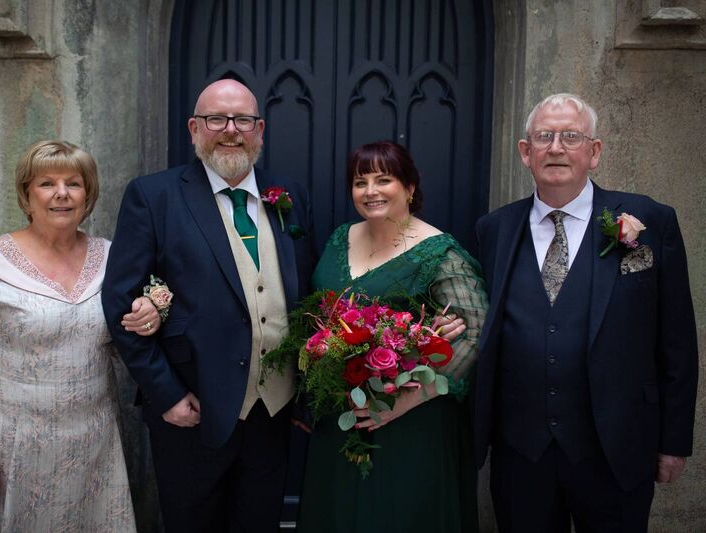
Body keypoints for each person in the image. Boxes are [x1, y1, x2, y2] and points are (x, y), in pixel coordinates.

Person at [474, 93, 699, 532]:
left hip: (617, 450)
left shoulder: (651, 220)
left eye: (571, 136)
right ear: (526, 152)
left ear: (593, 152)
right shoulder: (494, 229)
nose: (556, 147)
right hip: (522, 453)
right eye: (544, 136)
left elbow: (676, 339)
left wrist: (674, 441)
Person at [101, 79, 315, 532]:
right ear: (194, 128)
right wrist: (168, 395)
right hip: (191, 411)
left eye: (243, 120)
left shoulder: (290, 197)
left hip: (272, 411)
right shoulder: (154, 196)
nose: (230, 130)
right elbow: (120, 305)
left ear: (261, 130)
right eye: (217, 119)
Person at [0, 140, 160, 532]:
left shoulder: (113, 259)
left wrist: (152, 313)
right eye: (46, 183)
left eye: (74, 183)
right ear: (26, 194)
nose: (61, 194)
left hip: (93, 448)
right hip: (8, 452)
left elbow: (130, 336)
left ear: (88, 195)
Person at [296, 140, 487, 532]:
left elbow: (476, 334)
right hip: (341, 416)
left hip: (411, 424)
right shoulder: (340, 238)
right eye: (359, 181)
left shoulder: (440, 252)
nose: (370, 191)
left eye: (384, 179)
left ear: (410, 188)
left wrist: (404, 399)